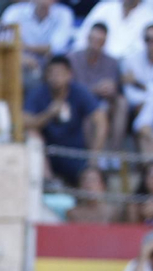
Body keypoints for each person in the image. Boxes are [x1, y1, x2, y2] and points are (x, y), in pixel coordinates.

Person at [27, 56, 107, 186]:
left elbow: (100, 121)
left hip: (76, 154)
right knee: (32, 133)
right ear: (46, 75)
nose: (56, 77)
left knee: (92, 176)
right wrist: (48, 114)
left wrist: (94, 155)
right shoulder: (38, 93)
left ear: (69, 75)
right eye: (52, 73)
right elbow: (25, 122)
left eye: (60, 73)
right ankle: (50, 182)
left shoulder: (79, 92)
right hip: (48, 155)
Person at [71, 23, 130, 150]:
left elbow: (117, 89)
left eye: (100, 41)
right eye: (94, 39)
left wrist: (111, 90)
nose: (96, 44)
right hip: (81, 104)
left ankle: (115, 152)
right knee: (94, 112)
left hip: (105, 103)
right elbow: (71, 89)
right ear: (88, 38)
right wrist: (94, 90)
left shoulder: (112, 62)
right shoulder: (73, 59)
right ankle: (92, 157)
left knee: (121, 102)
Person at [2, 0, 76, 88]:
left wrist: (24, 47)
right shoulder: (14, 12)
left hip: (50, 61)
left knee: (60, 70)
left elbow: (56, 47)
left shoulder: (64, 13)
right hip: (19, 59)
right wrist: (21, 57)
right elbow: (4, 42)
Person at [77, 0, 153, 59]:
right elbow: (84, 35)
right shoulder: (104, 7)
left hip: (127, 69)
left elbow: (143, 51)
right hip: (96, 60)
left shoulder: (151, 17)